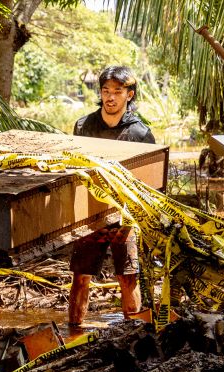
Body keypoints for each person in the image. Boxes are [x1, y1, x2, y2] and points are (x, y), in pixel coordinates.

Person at [69, 66, 154, 327]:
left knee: (128, 276)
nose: (110, 97)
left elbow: (149, 182)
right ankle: (73, 330)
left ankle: (134, 332)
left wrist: (136, 220)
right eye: (106, 90)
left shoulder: (141, 133)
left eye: (118, 91)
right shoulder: (84, 126)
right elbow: (72, 168)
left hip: (125, 217)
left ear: (129, 95)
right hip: (89, 216)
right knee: (81, 276)